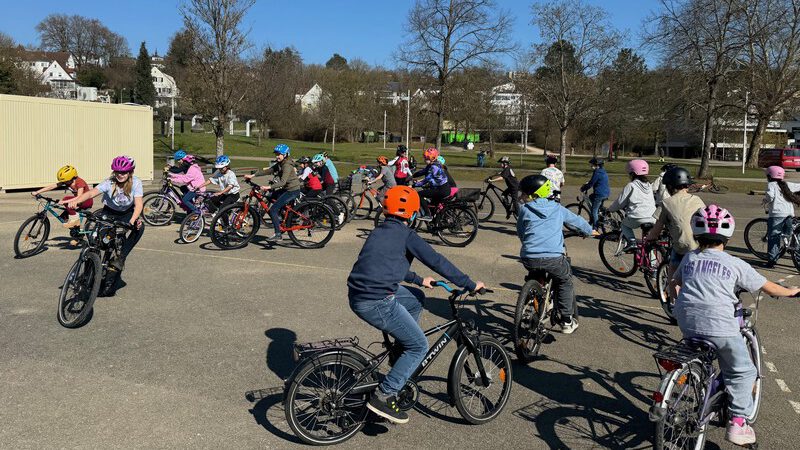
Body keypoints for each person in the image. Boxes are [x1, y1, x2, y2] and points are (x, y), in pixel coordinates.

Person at [347, 185, 485, 424]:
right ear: (411, 214)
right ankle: (384, 395)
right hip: (376, 300)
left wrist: (419, 280)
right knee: (419, 346)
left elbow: (389, 265)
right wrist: (469, 284)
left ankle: (401, 351)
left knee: (416, 298)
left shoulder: (378, 231)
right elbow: (437, 261)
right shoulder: (407, 235)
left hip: (359, 293)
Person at [671, 205, 800, 446]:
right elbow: (770, 288)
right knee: (744, 371)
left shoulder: (689, 258)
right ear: (727, 236)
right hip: (720, 325)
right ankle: (739, 423)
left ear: (696, 234)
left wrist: (676, 302)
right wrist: (792, 291)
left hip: (687, 321)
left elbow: (674, 282)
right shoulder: (734, 263)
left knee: (704, 350)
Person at [517, 175, 596, 334]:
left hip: (529, 256)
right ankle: (566, 320)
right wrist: (589, 231)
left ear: (534, 195)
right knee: (565, 280)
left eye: (524, 194)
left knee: (535, 272)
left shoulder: (524, 210)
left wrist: (527, 241)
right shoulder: (557, 208)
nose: (521, 197)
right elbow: (577, 221)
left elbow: (521, 231)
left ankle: (532, 301)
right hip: (553, 257)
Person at [62, 156, 144, 274]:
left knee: (140, 227)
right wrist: (77, 201)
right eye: (117, 172)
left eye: (123, 172)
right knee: (96, 241)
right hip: (109, 212)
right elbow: (91, 193)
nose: (120, 175)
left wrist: (132, 221)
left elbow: (139, 204)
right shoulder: (109, 182)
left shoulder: (136, 183)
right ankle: (89, 272)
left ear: (130, 172)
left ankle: (121, 258)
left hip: (127, 213)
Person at [646, 166, 705, 290]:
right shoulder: (698, 200)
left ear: (670, 186)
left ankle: (674, 299)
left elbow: (656, 230)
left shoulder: (666, 203)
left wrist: (649, 238)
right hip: (702, 246)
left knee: (673, 276)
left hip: (683, 248)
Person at [244, 144, 302, 242]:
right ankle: (281, 217)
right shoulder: (280, 163)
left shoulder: (286, 165)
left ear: (285, 155)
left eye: (279, 154)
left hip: (292, 190)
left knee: (273, 210)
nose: (277, 156)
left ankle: (278, 234)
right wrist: (252, 175)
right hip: (287, 189)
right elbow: (269, 171)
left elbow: (282, 182)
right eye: (276, 154)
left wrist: (268, 187)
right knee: (270, 197)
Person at [608, 159, 656, 252]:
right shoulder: (649, 185)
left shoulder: (631, 185)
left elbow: (620, 202)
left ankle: (632, 242)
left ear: (633, 173)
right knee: (648, 244)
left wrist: (610, 209)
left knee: (624, 225)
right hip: (652, 217)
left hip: (637, 217)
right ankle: (652, 260)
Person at [32, 165, 93, 229]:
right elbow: (52, 186)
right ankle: (76, 231)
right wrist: (37, 192)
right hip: (78, 201)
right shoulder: (68, 181)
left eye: (65, 181)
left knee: (66, 199)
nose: (64, 183)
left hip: (86, 201)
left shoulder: (80, 182)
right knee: (63, 217)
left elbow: (79, 197)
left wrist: (64, 201)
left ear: (72, 178)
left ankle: (75, 221)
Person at [763, 166, 800, 268]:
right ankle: (793, 249)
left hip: (777, 214)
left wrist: (765, 200)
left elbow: (770, 197)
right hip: (789, 214)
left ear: (769, 176)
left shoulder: (771, 185)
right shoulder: (787, 184)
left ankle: (772, 261)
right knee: (789, 234)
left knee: (774, 237)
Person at [412, 147, 450, 218]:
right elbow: (423, 171)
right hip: (443, 189)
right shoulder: (433, 164)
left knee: (419, 194)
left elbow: (426, 179)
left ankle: (427, 214)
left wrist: (413, 185)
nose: (424, 159)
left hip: (442, 190)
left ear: (432, 158)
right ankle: (434, 221)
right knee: (432, 206)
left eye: (426, 158)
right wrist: (412, 175)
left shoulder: (434, 167)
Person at [580, 157, 611, 232]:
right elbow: (594, 181)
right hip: (605, 192)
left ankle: (595, 228)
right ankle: (600, 213)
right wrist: (588, 183)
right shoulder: (602, 171)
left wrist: (583, 188)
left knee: (594, 210)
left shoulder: (597, 172)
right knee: (591, 197)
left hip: (599, 194)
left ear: (596, 165)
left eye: (592, 165)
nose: (591, 166)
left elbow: (591, 184)